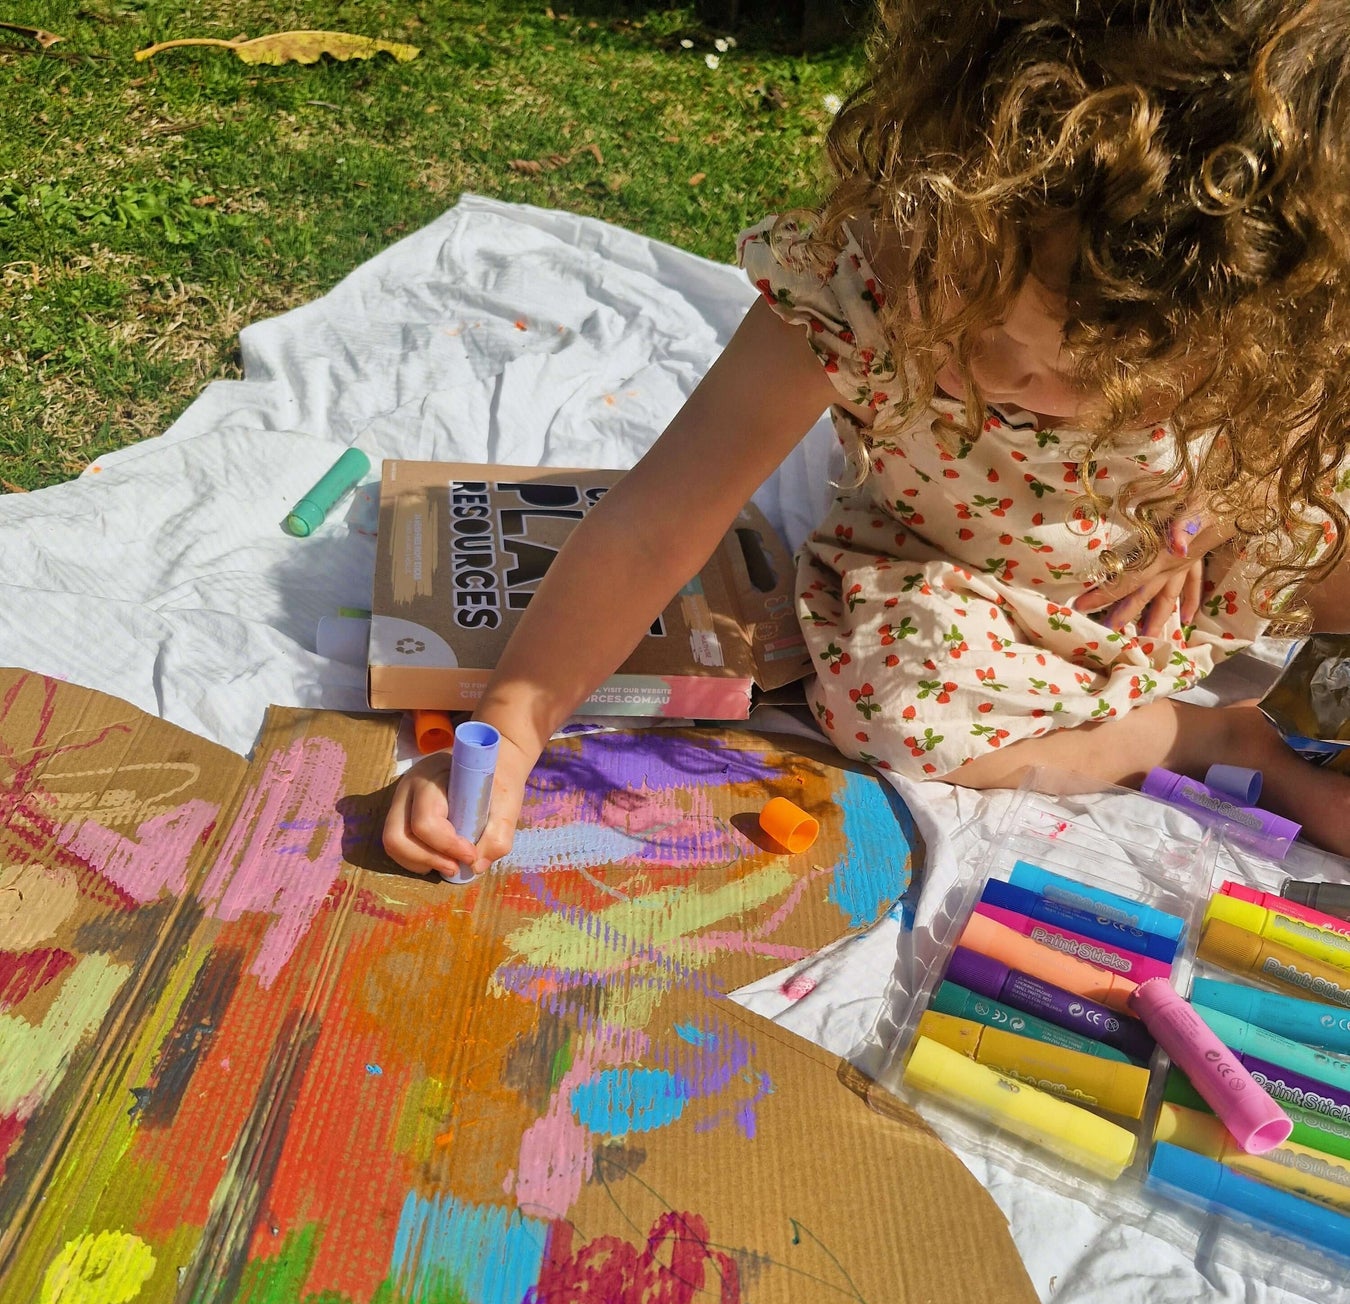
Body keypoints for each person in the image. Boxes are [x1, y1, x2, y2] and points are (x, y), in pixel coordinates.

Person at [384, 0, 1350, 880]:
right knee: (898, 710)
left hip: (1186, 555)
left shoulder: (1257, 329)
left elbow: (1302, 428)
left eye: (1091, 377)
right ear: (939, 196)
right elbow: (650, 528)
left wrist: (1216, 513)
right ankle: (1211, 740)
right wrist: (512, 728)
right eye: (975, 313)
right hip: (967, 573)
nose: (1006, 373)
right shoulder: (862, 289)